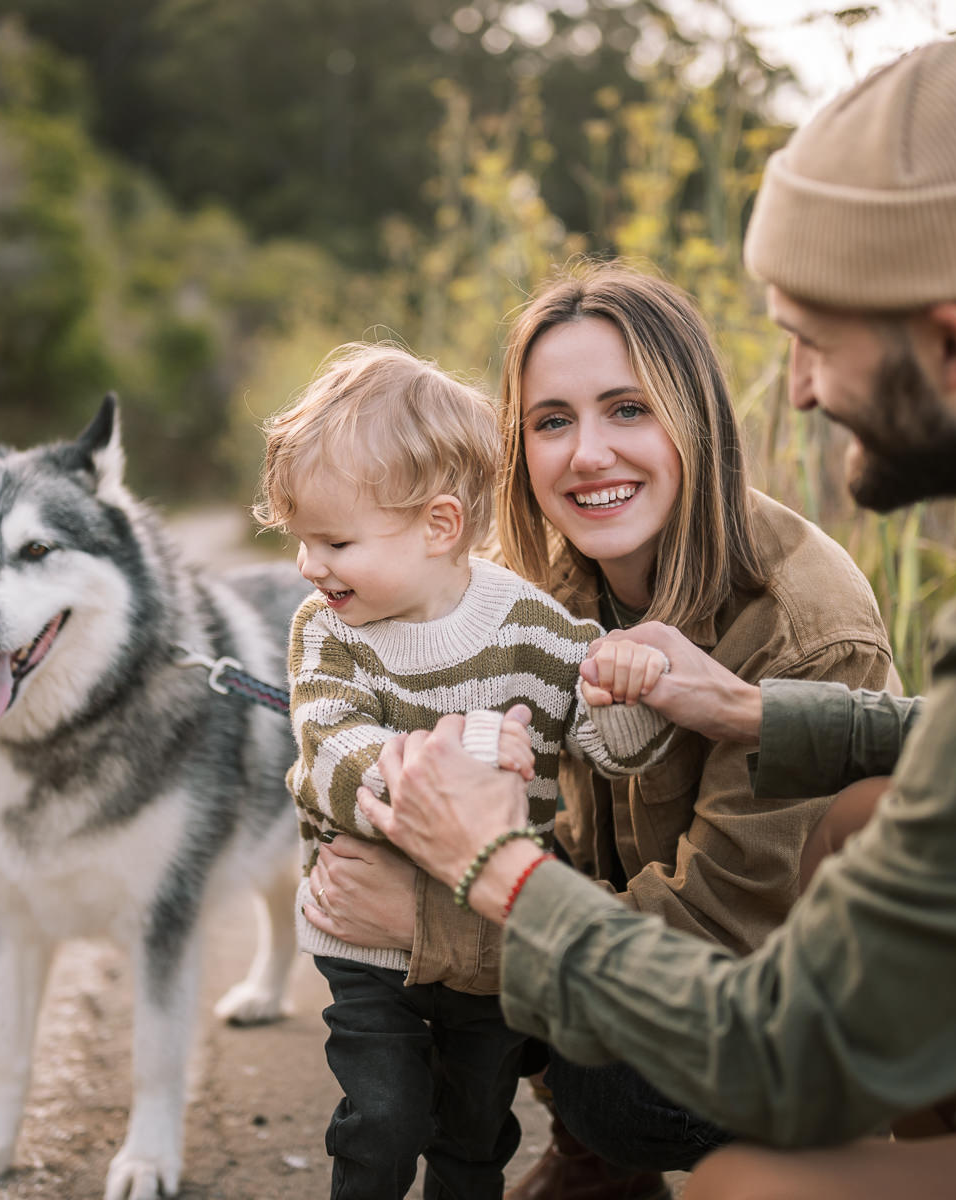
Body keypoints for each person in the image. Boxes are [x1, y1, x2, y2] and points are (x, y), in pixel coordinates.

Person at [357, 32, 956, 1200]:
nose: (803, 390)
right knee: (861, 821)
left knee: (757, 1184)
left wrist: (491, 871)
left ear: (949, 343)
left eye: (816, 345)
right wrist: (753, 711)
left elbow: (787, 1058)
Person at [302, 267, 897, 1199]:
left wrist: (434, 925)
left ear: (694, 420)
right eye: (550, 421)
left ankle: (810, 1163)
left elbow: (714, 946)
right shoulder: (536, 591)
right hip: (616, 935)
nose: (587, 454)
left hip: (775, 1013)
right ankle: (594, 1165)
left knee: (613, 1084)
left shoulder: (803, 630)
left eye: (627, 409)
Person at [255, 342, 677, 1200]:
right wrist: (474, 749)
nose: (309, 565)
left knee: (475, 1133)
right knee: (382, 1121)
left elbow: (617, 749)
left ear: (439, 526)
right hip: (365, 939)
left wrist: (626, 692)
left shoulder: (528, 622)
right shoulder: (326, 630)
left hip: (486, 936)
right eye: (301, 541)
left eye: (332, 540)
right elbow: (335, 759)